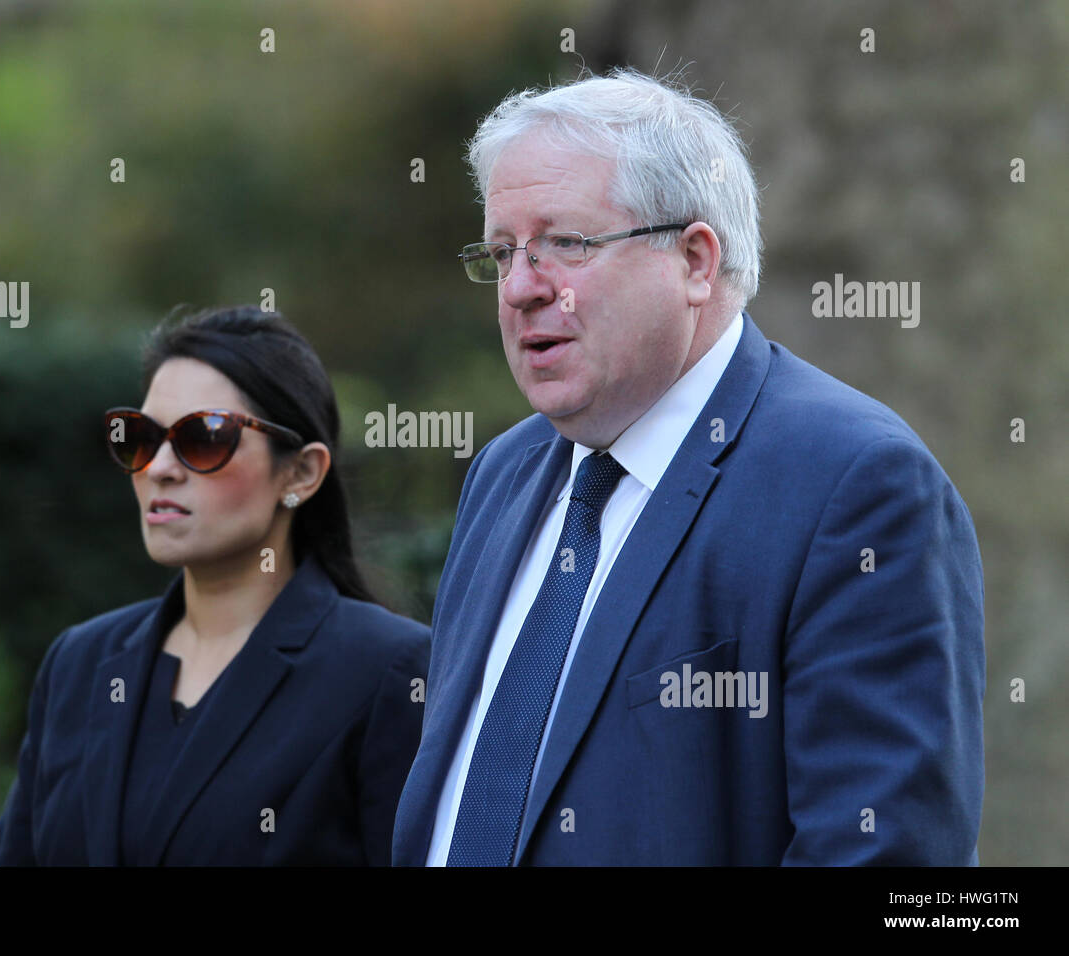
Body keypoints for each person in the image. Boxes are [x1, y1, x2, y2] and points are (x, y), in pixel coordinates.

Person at [392, 67, 984, 866]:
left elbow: (884, 857)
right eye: (502, 253)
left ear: (696, 261)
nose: (522, 289)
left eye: (565, 243)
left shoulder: (856, 485)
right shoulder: (505, 472)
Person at [0, 305, 429, 866]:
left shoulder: (385, 672)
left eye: (204, 437)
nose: (161, 467)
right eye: (140, 438)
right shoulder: (80, 665)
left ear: (301, 473)